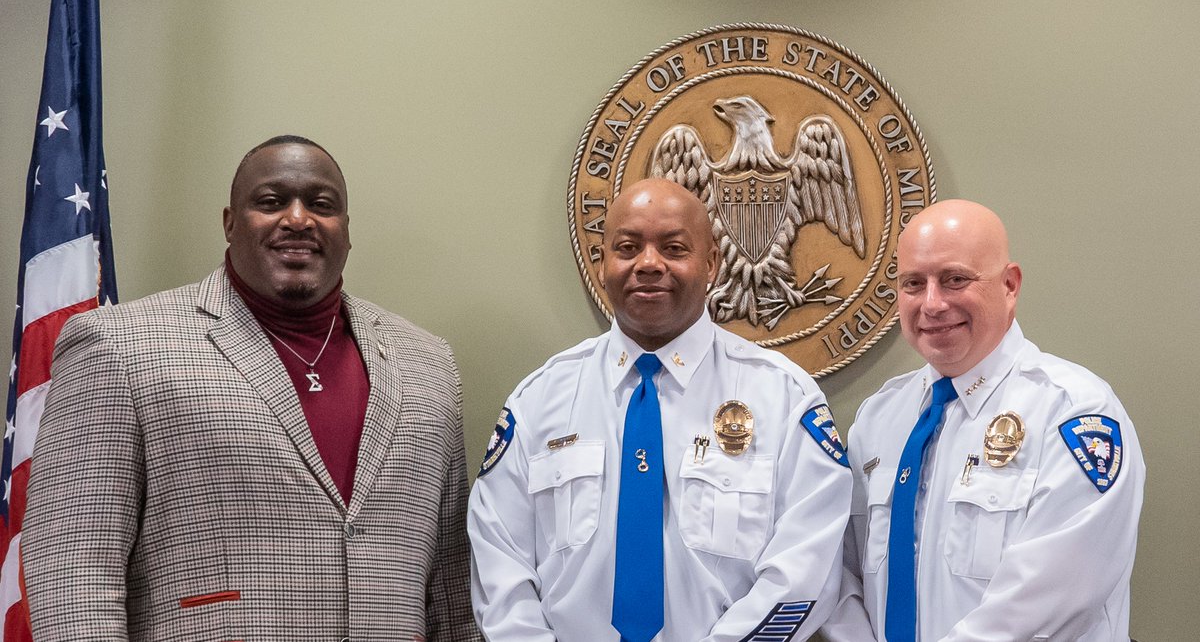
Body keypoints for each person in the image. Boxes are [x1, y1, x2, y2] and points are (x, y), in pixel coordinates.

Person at [23, 135, 480, 641]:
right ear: (229, 223)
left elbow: (452, 591)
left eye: (322, 205)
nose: (299, 219)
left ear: (347, 231)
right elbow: (73, 571)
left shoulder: (428, 364)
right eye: (271, 201)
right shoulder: (119, 345)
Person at [468, 178, 852, 641]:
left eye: (673, 248)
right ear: (603, 261)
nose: (648, 264)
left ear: (711, 263)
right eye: (627, 247)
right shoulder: (538, 401)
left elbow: (805, 572)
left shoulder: (785, 398)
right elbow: (500, 567)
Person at [823, 200, 1145, 641]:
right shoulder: (879, 419)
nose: (932, 304)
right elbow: (843, 576)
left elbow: (1047, 602)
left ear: (1010, 285)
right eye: (913, 284)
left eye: (955, 279)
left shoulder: (1074, 413)